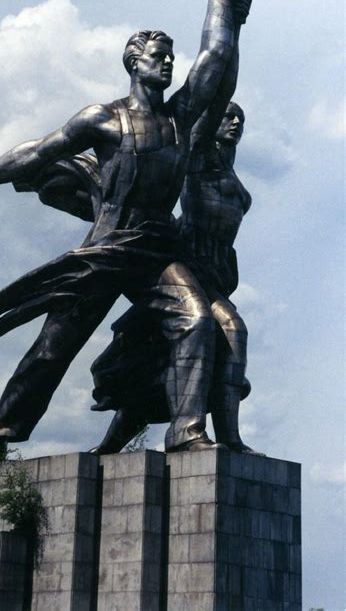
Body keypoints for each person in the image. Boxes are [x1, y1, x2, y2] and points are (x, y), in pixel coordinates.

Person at [0, 0, 250, 471]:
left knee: (194, 321)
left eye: (171, 58)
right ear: (133, 62)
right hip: (104, 249)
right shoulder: (103, 118)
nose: (167, 63)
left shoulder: (182, 118)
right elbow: (38, 150)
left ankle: (187, 432)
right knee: (52, 351)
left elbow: (215, 59)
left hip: (153, 250)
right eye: (157, 56)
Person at [89, 101, 262, 455]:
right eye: (227, 116)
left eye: (240, 119)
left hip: (214, 274)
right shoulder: (198, 159)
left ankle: (230, 438)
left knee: (183, 357)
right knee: (229, 330)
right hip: (187, 268)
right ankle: (188, 434)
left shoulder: (232, 174)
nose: (234, 122)